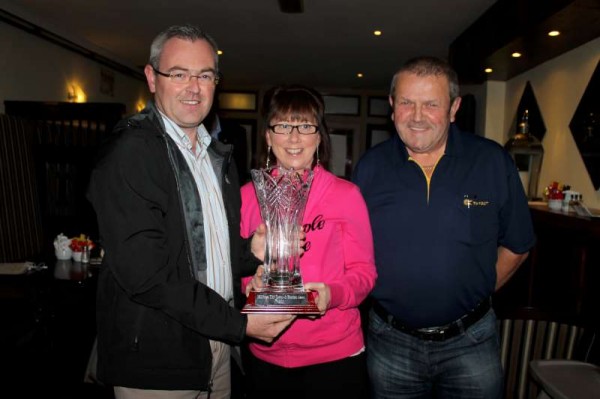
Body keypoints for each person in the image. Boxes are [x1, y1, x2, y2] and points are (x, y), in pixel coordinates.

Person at [86, 24, 294, 399]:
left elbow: (202, 252)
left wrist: (251, 253)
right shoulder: (132, 153)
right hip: (156, 357)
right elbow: (147, 275)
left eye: (204, 75)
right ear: (152, 78)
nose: (193, 88)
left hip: (216, 347)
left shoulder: (218, 156)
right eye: (178, 74)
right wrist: (240, 324)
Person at [352, 56, 536, 398]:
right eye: (406, 102)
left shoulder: (492, 162)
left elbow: (518, 245)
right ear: (392, 106)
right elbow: (349, 249)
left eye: (431, 104)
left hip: (472, 342)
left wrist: (475, 290)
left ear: (454, 108)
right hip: (390, 343)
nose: (417, 116)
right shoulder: (370, 169)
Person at [239, 85, 377, 398]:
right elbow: (240, 268)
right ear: (268, 137)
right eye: (283, 126)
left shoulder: (346, 196)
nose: (294, 137)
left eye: (305, 126)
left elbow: (365, 274)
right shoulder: (247, 197)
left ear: (318, 137)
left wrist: (332, 294)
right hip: (266, 356)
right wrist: (250, 283)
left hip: (335, 358)